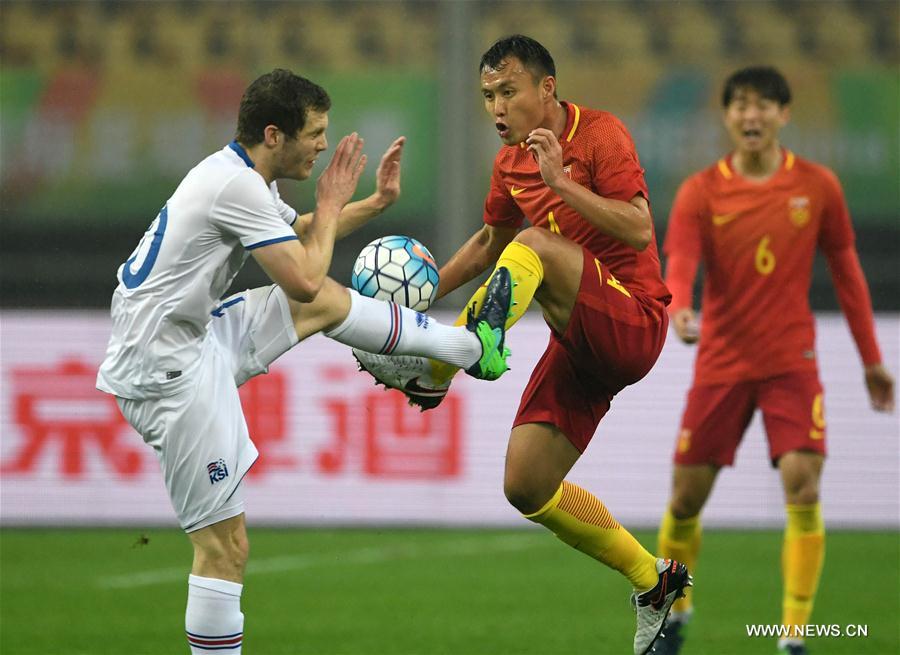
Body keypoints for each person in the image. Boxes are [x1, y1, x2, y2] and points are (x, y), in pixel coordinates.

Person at [95, 68, 512, 654]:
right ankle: (458, 351)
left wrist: (370, 203)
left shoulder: (241, 178)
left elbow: (306, 237)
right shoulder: (235, 188)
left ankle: (458, 348)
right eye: (314, 133)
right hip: (167, 374)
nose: (322, 144)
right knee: (225, 549)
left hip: (188, 339)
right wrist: (333, 198)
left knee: (317, 306)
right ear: (274, 134)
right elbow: (306, 273)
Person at [356, 35, 691, 655]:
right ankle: (654, 580)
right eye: (487, 96)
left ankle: (439, 364)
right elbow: (488, 244)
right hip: (579, 340)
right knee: (526, 485)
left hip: (633, 320)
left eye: (508, 92)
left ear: (547, 90)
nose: (497, 109)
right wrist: (418, 295)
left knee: (535, 245)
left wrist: (561, 184)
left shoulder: (601, 136)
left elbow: (641, 225)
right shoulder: (509, 164)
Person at [651, 67, 895, 655]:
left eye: (763, 105)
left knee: (802, 485)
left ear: (785, 114)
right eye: (739, 105)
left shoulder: (817, 187)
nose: (751, 115)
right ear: (727, 116)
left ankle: (792, 637)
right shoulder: (700, 191)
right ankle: (674, 613)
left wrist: (871, 360)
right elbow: (678, 260)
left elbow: (848, 274)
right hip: (722, 362)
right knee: (685, 499)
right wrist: (679, 309)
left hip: (791, 360)